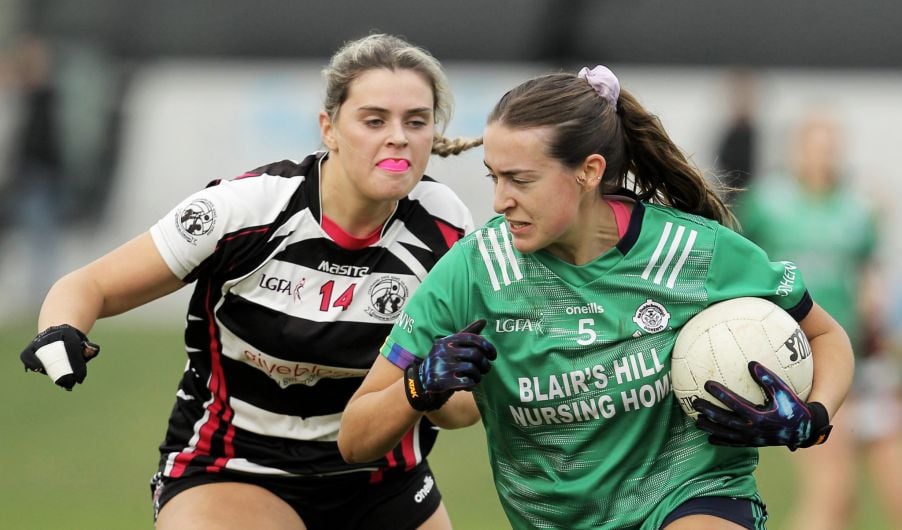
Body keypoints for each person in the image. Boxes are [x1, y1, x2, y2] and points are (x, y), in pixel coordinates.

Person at [338, 65, 854, 530]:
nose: (500, 201)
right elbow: (355, 438)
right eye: (494, 178)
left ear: (587, 172)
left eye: (521, 180)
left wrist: (813, 416)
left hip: (697, 497)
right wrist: (418, 386)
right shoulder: (473, 272)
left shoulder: (694, 250)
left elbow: (826, 335)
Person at [18, 33, 483, 530]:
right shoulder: (245, 211)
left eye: (416, 121)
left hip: (383, 480)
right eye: (374, 120)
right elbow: (90, 284)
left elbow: (461, 411)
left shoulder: (446, 227)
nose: (398, 137)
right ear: (329, 128)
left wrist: (427, 385)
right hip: (235, 469)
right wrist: (60, 330)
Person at [736, 110, 902, 530]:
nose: (823, 156)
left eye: (831, 147)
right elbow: (738, 268)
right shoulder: (766, 204)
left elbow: (867, 274)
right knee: (832, 489)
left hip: (864, 358)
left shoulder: (856, 207)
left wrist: (876, 316)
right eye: (815, 146)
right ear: (796, 150)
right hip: (808, 360)